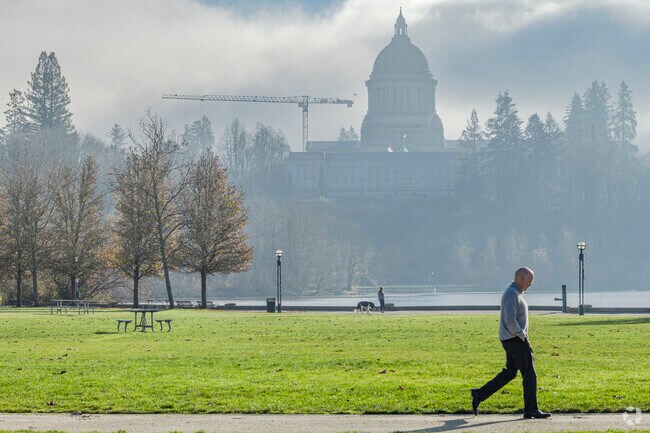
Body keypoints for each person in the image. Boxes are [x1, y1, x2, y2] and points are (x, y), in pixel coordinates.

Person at [471, 267, 551, 419]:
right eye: (529, 281)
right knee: (529, 374)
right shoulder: (511, 293)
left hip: (512, 339)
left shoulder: (517, 292)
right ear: (521, 279)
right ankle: (531, 409)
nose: (530, 284)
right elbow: (510, 319)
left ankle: (479, 394)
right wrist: (521, 334)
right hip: (515, 339)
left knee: (510, 372)